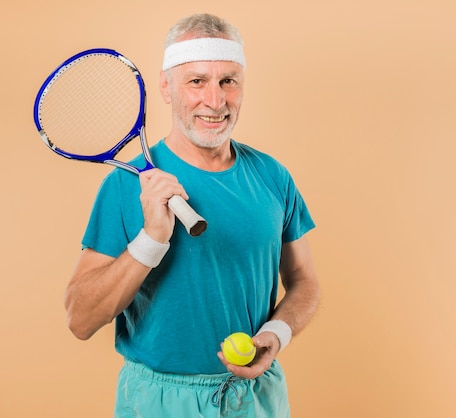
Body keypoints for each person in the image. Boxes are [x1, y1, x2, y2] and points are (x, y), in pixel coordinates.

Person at [63, 13, 320, 418]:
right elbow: (80, 318)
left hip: (256, 397)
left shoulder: (272, 176)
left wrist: (276, 334)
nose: (215, 101)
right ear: (166, 88)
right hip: (160, 402)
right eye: (196, 81)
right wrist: (151, 240)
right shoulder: (124, 187)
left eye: (228, 81)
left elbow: (305, 281)